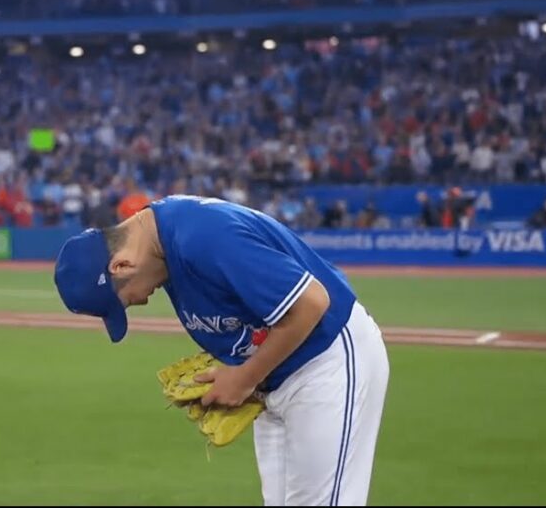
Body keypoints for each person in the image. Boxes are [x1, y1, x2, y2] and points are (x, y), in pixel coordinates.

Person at [53, 195, 389, 506]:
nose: (139, 301)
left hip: (326, 360)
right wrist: (235, 369)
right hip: (275, 380)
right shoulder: (163, 251)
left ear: (122, 266)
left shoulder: (201, 236)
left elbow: (311, 303)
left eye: (125, 300)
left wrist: (245, 376)